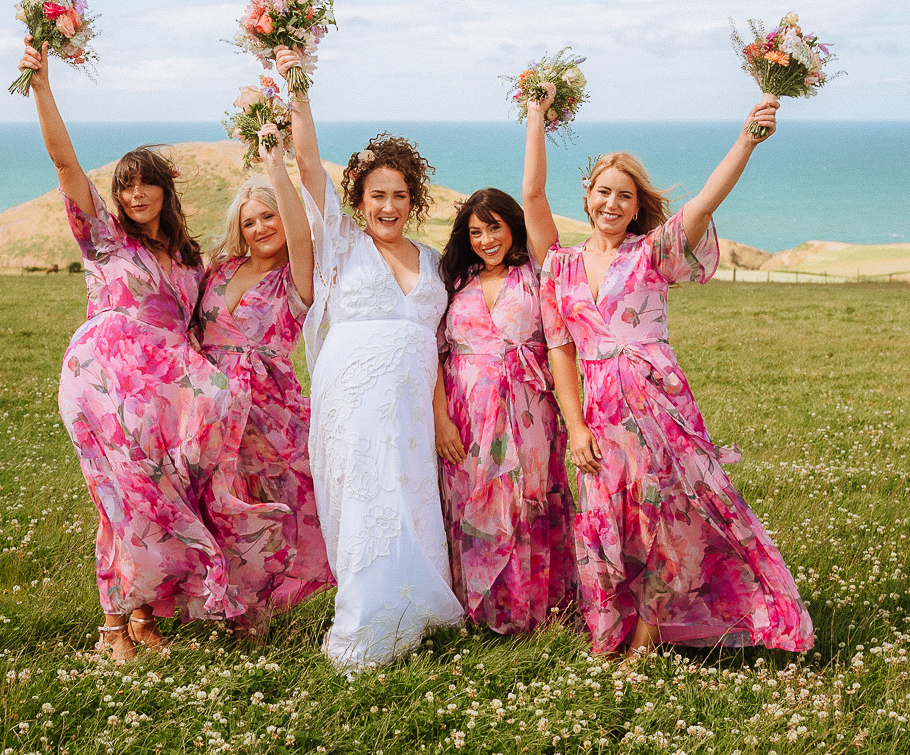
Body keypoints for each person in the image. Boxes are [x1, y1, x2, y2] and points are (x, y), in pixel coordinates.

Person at [525, 86, 814, 658]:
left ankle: (648, 634)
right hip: (601, 417)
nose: (611, 203)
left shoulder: (651, 252)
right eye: (603, 192)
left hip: (660, 406)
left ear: (636, 207)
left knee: (670, 517)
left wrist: (747, 138)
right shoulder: (558, 266)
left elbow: (705, 201)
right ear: (587, 197)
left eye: (623, 197)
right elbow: (560, 348)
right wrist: (535, 111)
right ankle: (611, 626)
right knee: (606, 518)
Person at [17, 39, 279, 661]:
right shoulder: (104, 241)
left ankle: (146, 611)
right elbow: (66, 168)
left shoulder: (190, 258)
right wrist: (42, 86)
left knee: (160, 490)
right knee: (121, 491)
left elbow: (237, 287)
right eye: (126, 187)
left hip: (164, 386)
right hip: (103, 376)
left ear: (165, 191)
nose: (134, 196)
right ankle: (115, 625)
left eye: (145, 186)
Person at [274, 45, 463, 668]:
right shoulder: (341, 244)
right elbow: (305, 163)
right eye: (377, 194)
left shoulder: (434, 262)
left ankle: (415, 612)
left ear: (415, 200)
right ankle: (363, 628)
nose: (388, 206)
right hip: (351, 398)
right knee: (362, 502)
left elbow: (436, 346)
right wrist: (296, 77)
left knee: (410, 498)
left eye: (400, 195)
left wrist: (439, 417)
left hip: (409, 403)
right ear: (359, 198)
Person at [195, 126, 332, 632]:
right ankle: (221, 605)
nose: (260, 228)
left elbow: (302, 234)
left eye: (268, 215)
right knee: (219, 503)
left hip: (270, 410)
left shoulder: (296, 278)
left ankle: (264, 609)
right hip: (211, 409)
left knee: (280, 508)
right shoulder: (220, 271)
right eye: (249, 221)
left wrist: (275, 162)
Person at [434, 188, 578, 633]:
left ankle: (526, 615)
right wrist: (441, 421)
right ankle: (472, 614)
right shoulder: (455, 281)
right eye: (475, 231)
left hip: (528, 413)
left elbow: (536, 193)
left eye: (494, 227)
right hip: (465, 416)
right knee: (468, 506)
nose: (485, 239)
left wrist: (535, 116)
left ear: (513, 225)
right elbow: (433, 354)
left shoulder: (536, 274)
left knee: (523, 504)